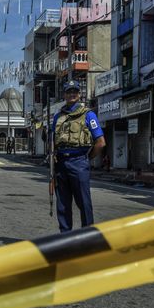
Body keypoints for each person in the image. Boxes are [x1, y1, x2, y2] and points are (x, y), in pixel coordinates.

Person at [51, 80, 106, 233]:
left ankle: (88, 237)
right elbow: (52, 141)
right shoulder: (58, 117)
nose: (72, 94)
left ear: (79, 94)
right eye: (69, 92)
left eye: (74, 91)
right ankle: (65, 237)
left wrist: (86, 159)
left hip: (79, 162)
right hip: (61, 163)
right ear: (64, 94)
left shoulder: (89, 115)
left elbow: (100, 142)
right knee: (62, 204)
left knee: (84, 203)